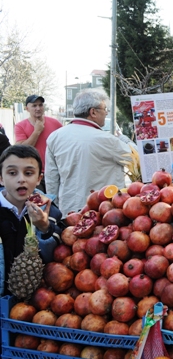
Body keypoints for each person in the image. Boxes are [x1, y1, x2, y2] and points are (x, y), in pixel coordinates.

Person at [45, 89, 131, 215]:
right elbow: (135, 157)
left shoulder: (55, 137)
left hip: (69, 210)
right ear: (93, 112)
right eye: (105, 109)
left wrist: (56, 207)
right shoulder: (106, 139)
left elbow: (51, 179)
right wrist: (123, 138)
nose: (106, 113)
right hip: (103, 211)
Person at [0, 145, 63, 296]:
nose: (21, 179)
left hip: (35, 300)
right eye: (12, 173)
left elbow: (54, 258)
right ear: (1, 178)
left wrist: (44, 227)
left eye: (28, 173)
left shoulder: (50, 211)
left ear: (39, 178)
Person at [14, 95, 63, 193]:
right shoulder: (20, 126)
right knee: (38, 202)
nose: (38, 108)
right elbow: (22, 150)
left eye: (40, 105)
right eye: (34, 106)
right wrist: (37, 131)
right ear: (27, 108)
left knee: (56, 204)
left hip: (55, 172)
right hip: (34, 173)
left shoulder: (55, 123)